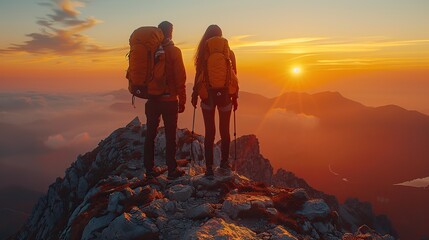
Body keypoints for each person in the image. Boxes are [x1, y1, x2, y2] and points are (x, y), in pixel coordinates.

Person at [191, 24, 239, 177]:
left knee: (209, 132)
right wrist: (235, 97)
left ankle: (209, 168)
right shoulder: (229, 53)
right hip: (225, 95)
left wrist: (194, 94)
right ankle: (224, 164)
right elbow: (234, 76)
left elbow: (198, 76)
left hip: (208, 97)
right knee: (225, 131)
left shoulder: (203, 53)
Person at [144, 21, 186, 180]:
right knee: (170, 135)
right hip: (169, 100)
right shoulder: (174, 51)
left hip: (152, 99)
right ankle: (171, 169)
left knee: (150, 135)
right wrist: (182, 99)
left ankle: (149, 169)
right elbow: (180, 77)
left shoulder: (150, 50)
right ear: (171, 33)